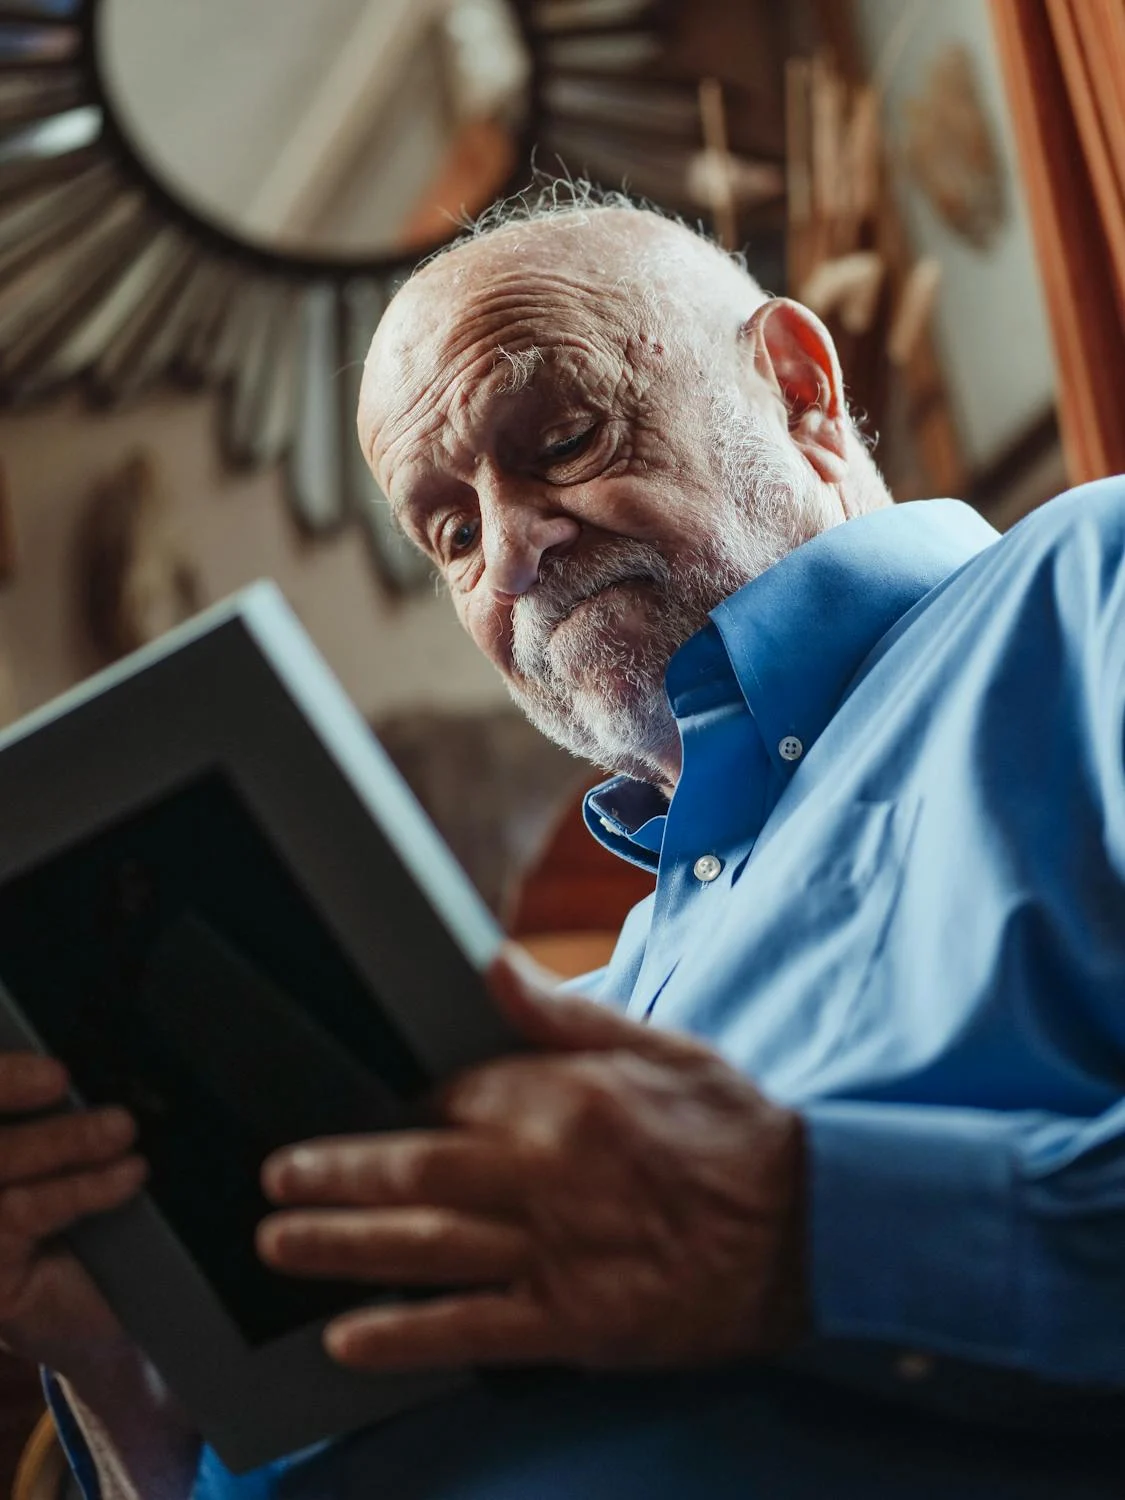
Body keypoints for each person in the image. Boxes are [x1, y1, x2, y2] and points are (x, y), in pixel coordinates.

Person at [2, 184, 1124, 1500]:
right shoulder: (538, 1022)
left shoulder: (1087, 582)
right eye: (452, 531)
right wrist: (122, 1367)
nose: (512, 559)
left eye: (566, 439)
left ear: (799, 389)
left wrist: (796, 1229)